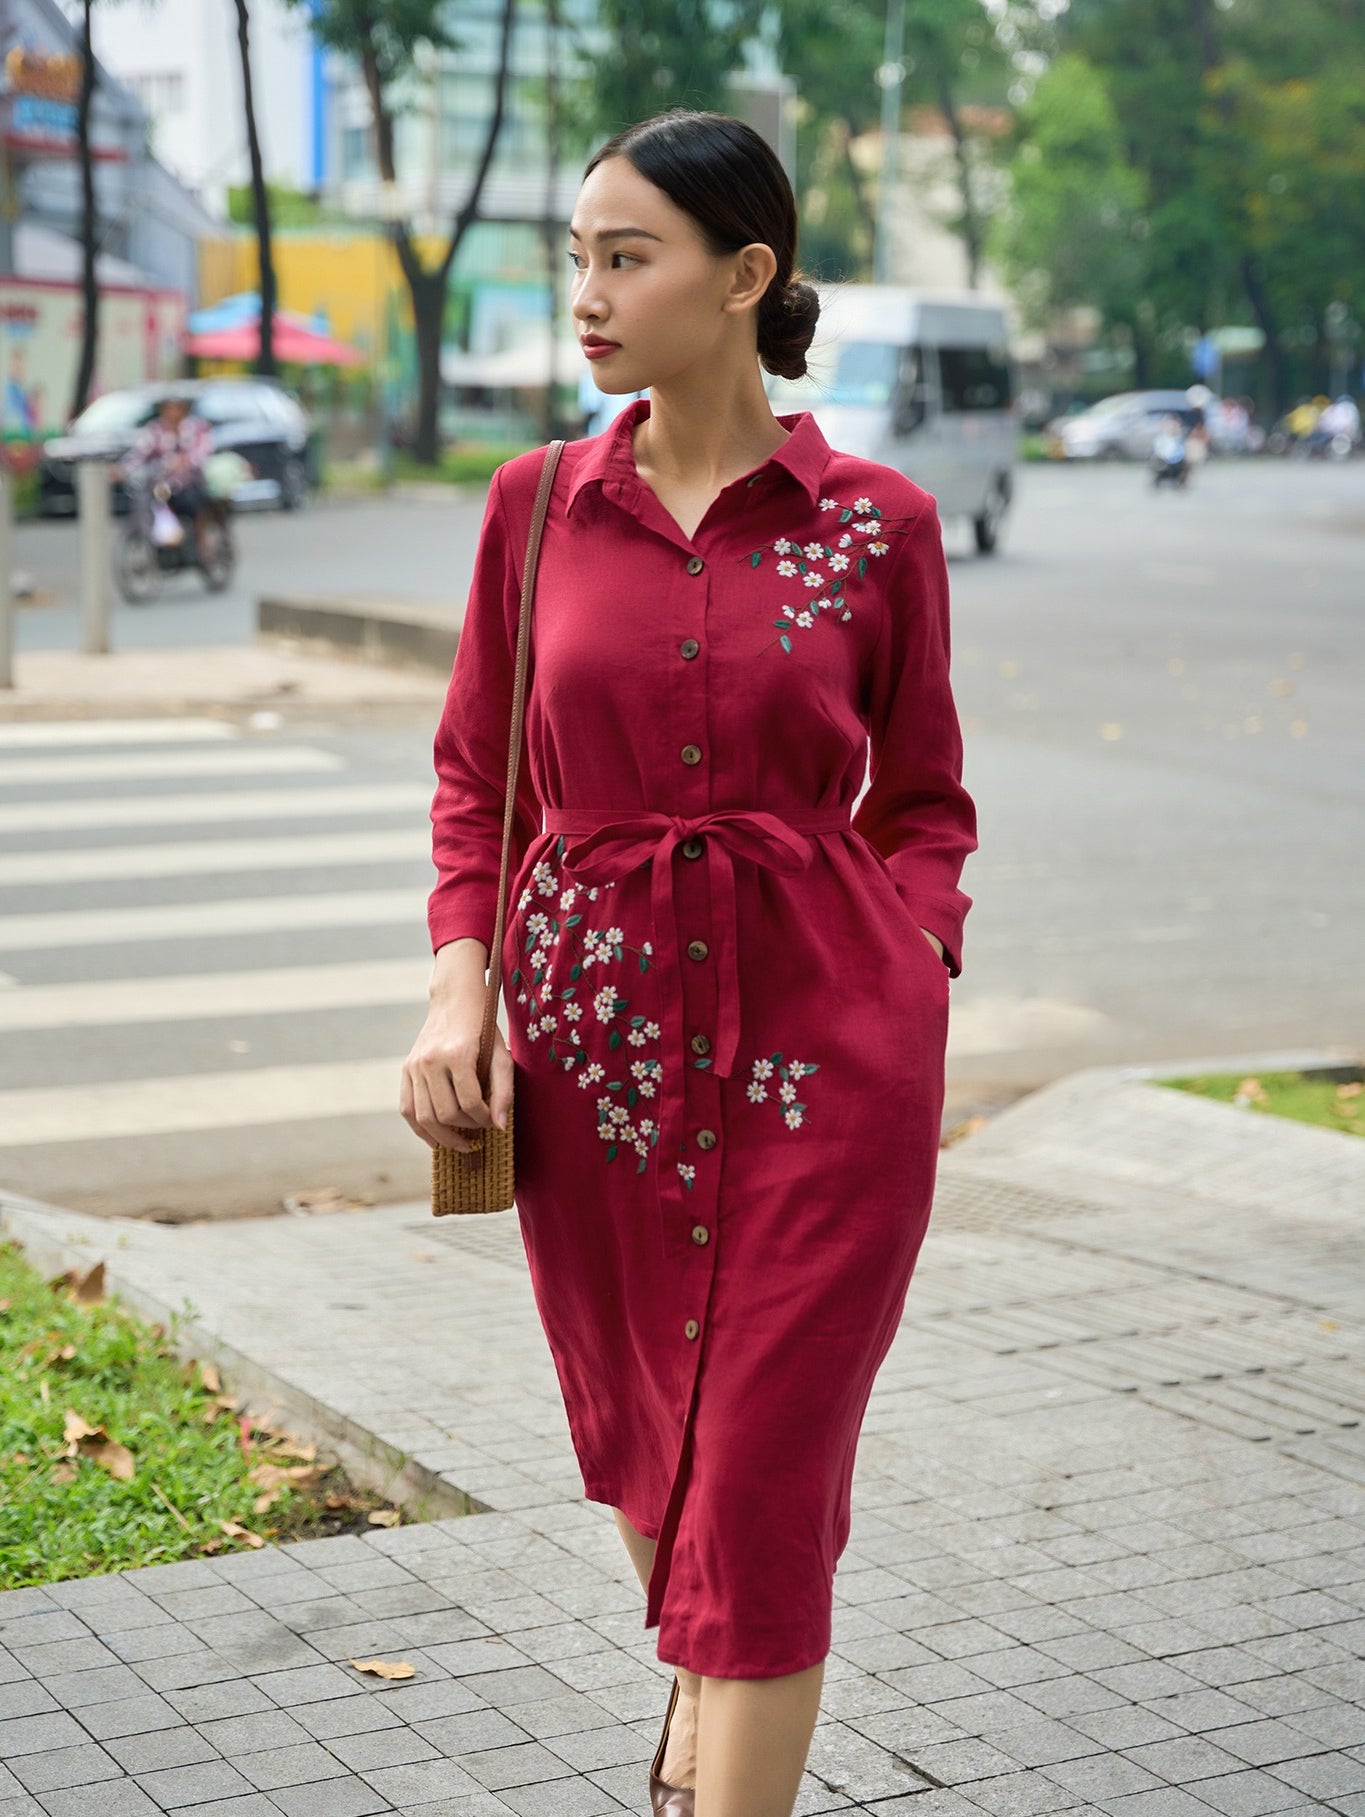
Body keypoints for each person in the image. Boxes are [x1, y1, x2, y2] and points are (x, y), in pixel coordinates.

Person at [402, 108, 977, 1817]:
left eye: (625, 256)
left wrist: (912, 962)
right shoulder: (535, 507)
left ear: (744, 277)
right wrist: (461, 983)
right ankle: (699, 1678)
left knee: (768, 1479)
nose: (587, 293)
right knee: (659, 1446)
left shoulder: (879, 524)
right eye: (579, 255)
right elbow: (473, 783)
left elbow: (928, 797)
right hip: (598, 1068)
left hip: (829, 1065)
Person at [123, 392, 214, 560]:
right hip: (162, 484)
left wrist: (185, 461)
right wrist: (122, 469)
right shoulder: (156, 429)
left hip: (190, 482)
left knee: (193, 504)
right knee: (149, 502)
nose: (172, 413)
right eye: (168, 408)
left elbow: (203, 452)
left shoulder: (196, 428)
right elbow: (140, 452)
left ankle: (202, 544)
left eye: (176, 408)